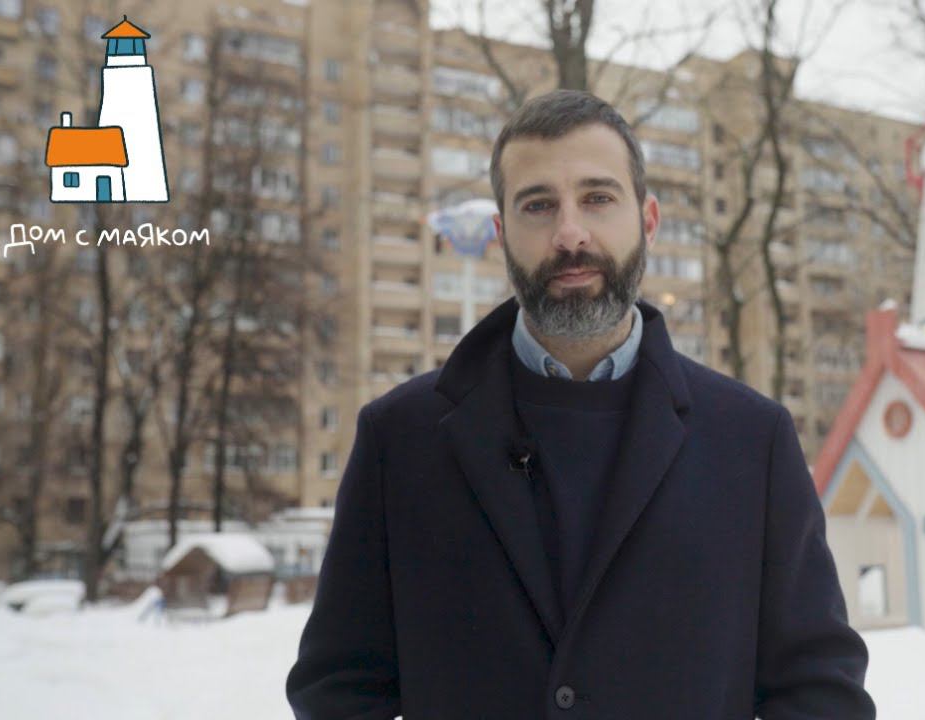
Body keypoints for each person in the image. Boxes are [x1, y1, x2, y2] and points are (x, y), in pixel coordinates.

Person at [286, 89, 875, 719]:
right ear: (501, 234)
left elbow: (819, 690)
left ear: (648, 219)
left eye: (597, 198)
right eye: (539, 205)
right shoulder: (400, 439)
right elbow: (339, 688)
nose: (570, 233)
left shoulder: (754, 441)